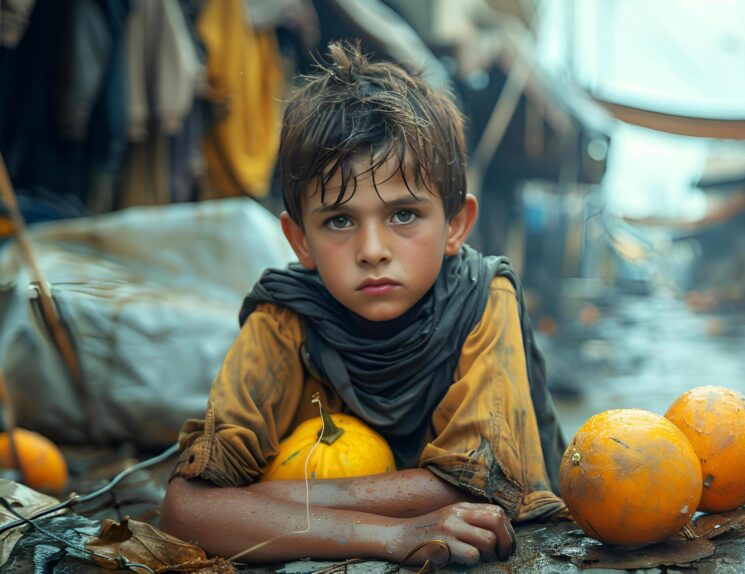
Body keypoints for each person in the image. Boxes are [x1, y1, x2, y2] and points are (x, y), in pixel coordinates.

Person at [159, 42, 566, 567]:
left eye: (403, 215)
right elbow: (186, 509)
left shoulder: (483, 297)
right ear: (299, 239)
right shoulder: (284, 316)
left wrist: (266, 500)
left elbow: (485, 489)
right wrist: (390, 537)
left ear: (456, 226)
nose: (372, 251)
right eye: (339, 221)